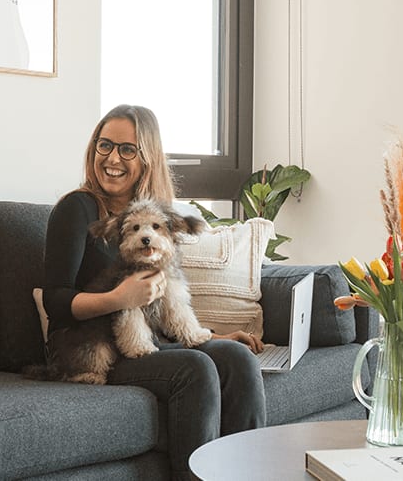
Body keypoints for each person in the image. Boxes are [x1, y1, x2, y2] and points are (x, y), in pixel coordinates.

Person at [42, 104, 267, 480]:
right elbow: (55, 302)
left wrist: (215, 336)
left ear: (146, 158)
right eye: (105, 145)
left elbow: (166, 306)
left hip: (147, 340)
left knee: (237, 358)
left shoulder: (153, 217)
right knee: (194, 369)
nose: (112, 158)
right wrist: (119, 299)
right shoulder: (76, 209)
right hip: (88, 347)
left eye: (127, 149)